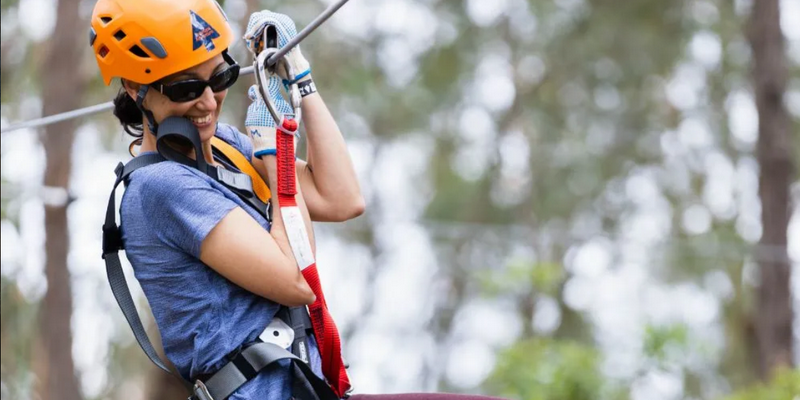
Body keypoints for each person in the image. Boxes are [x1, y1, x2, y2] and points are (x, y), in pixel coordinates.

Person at [92, 0, 505, 399]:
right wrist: (277, 150)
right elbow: (297, 280)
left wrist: (300, 80)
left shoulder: (224, 147)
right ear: (135, 88)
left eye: (220, 78)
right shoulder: (160, 187)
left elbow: (341, 198)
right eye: (185, 87)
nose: (208, 101)